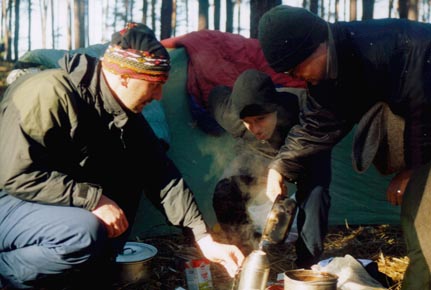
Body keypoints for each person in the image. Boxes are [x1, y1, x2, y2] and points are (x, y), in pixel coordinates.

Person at [0, 22, 244, 290]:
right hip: (10, 199)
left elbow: (160, 173)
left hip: (48, 205)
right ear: (125, 76)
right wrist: (93, 200)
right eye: (155, 84)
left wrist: (203, 238)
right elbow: (14, 174)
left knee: (127, 181)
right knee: (83, 232)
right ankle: (7, 274)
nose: (159, 95)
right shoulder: (47, 93)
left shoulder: (122, 111)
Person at [257, 4, 431, 289]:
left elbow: (422, 108)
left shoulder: (390, 47)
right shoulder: (329, 71)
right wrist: (280, 167)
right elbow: (317, 124)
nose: (294, 77)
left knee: (425, 225)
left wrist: (411, 170)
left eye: (295, 68)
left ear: (318, 45)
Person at [208, 69, 332, 268]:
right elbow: (215, 94)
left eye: (260, 119)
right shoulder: (230, 113)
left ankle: (306, 267)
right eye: (248, 122)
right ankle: (246, 258)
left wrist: (281, 170)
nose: (255, 129)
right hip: (257, 156)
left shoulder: (303, 106)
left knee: (315, 197)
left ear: (276, 109)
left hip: (305, 150)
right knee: (225, 192)